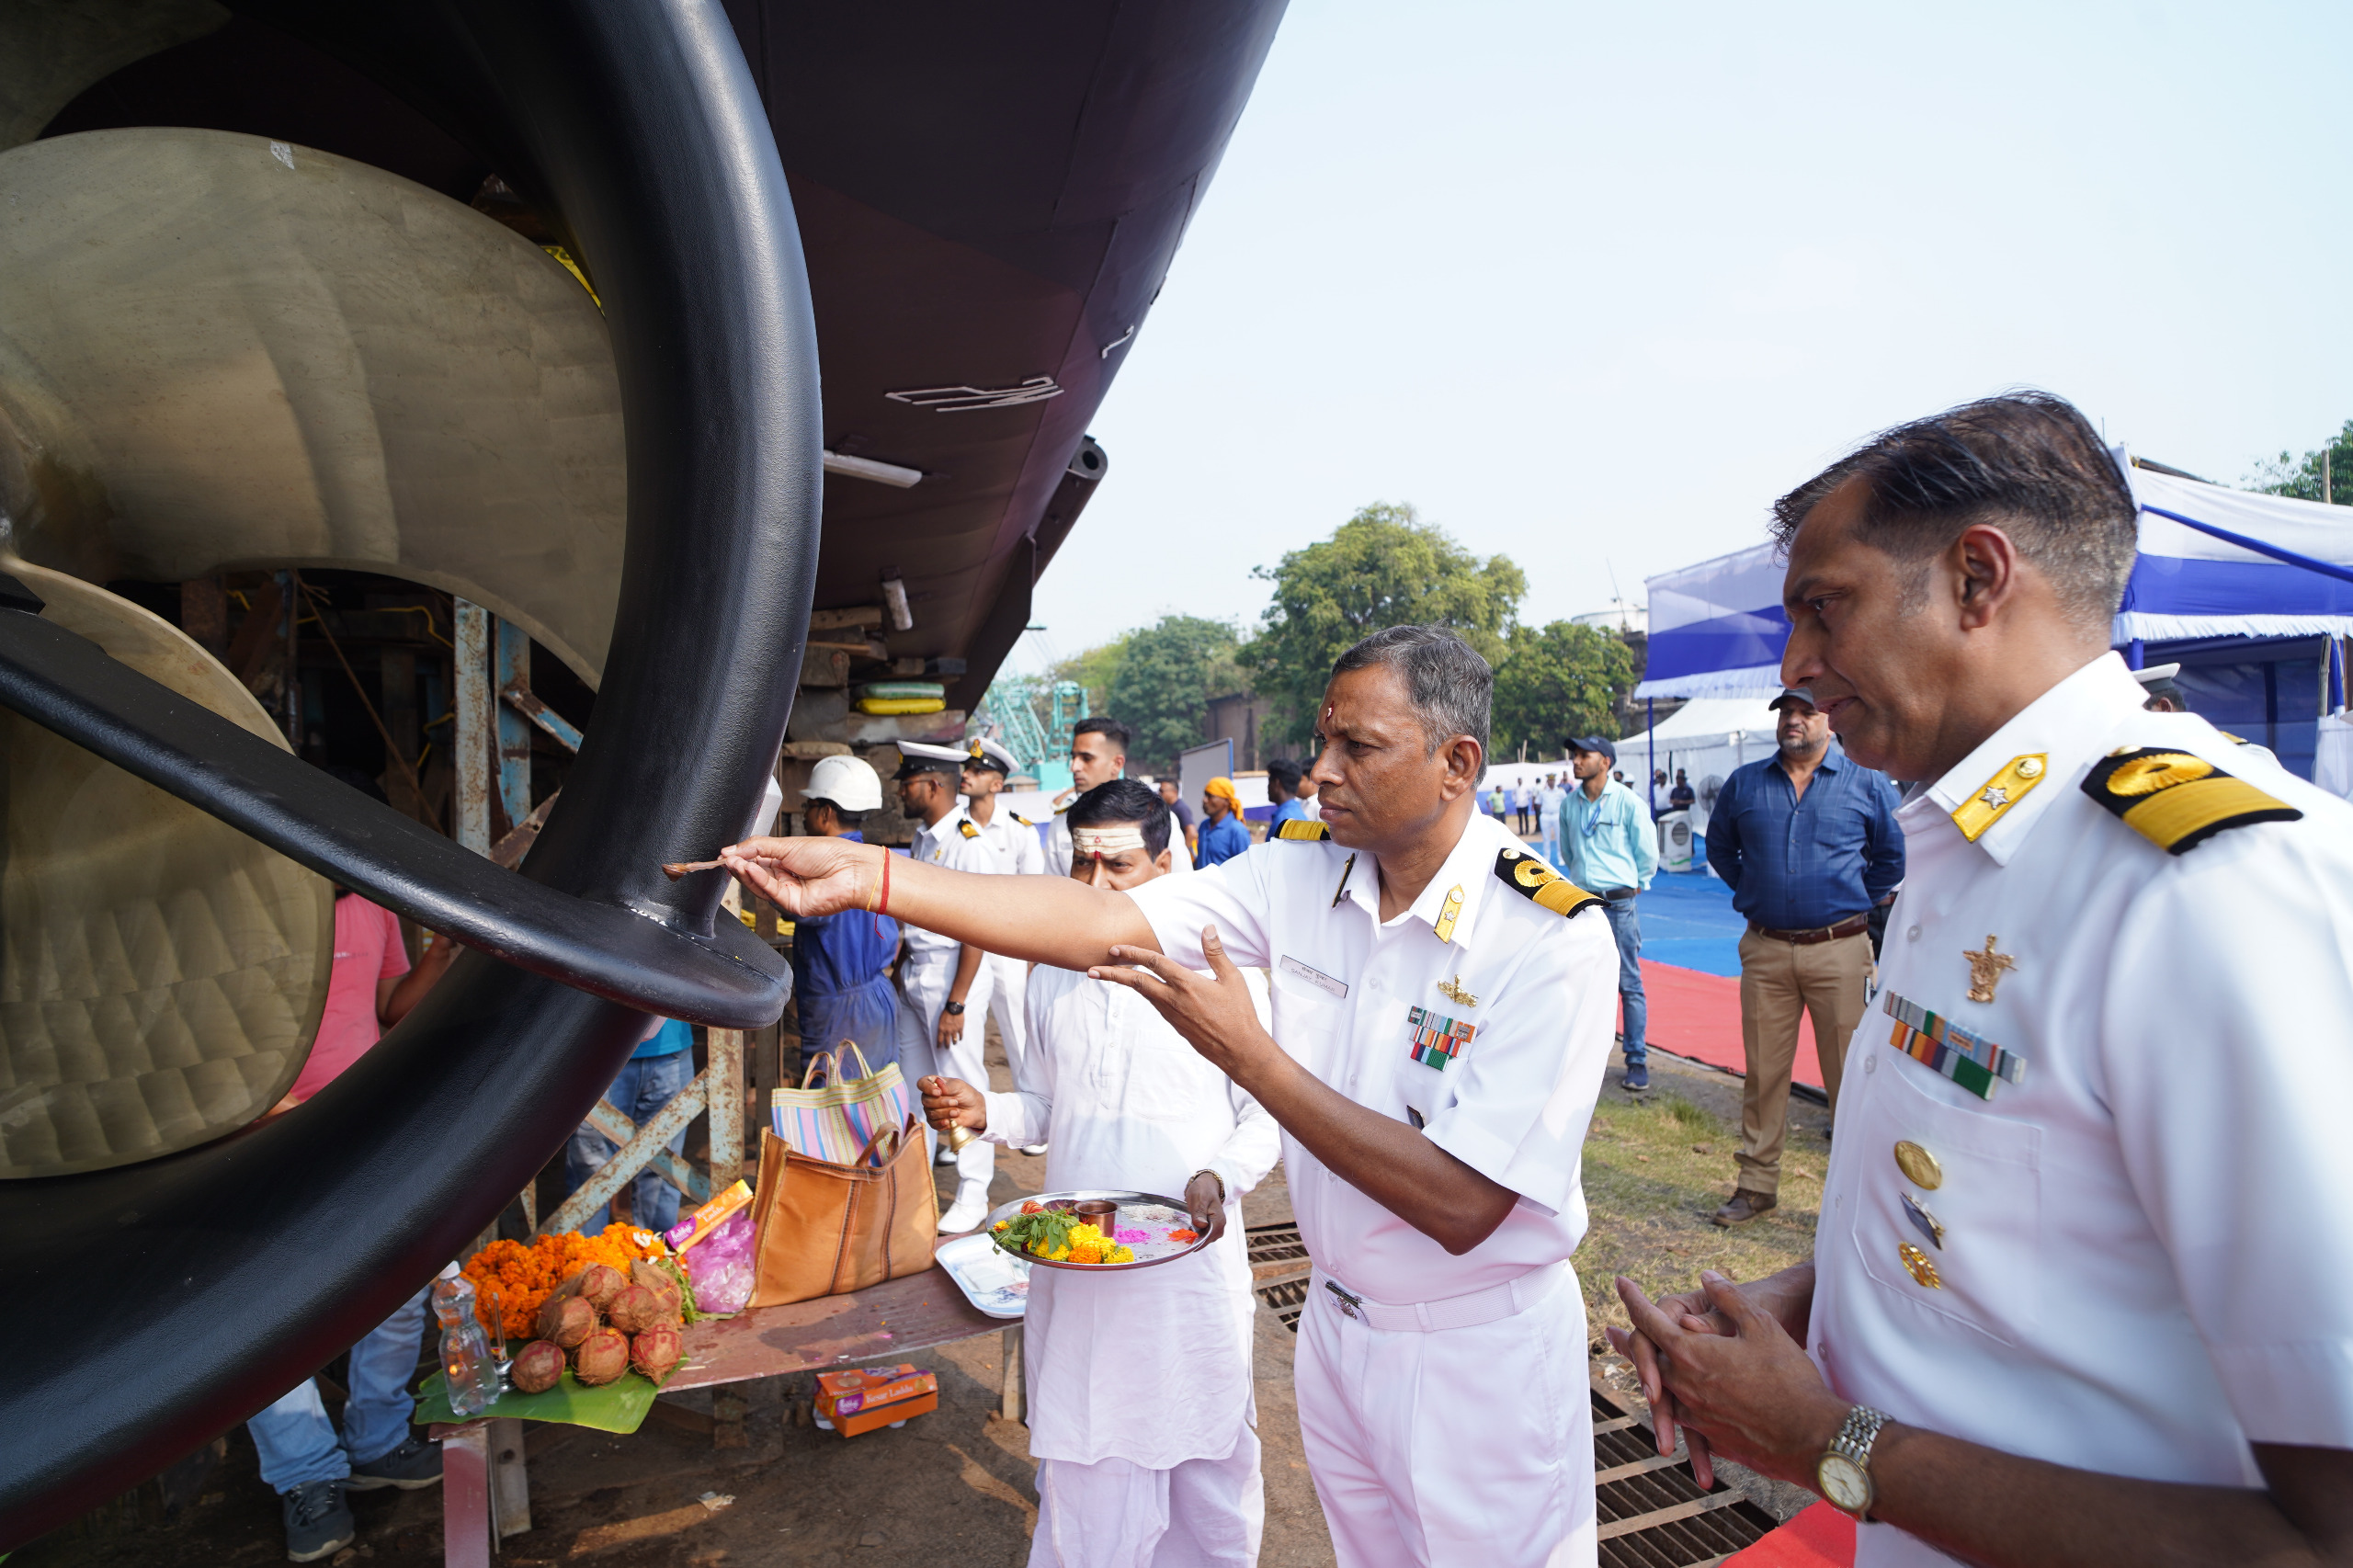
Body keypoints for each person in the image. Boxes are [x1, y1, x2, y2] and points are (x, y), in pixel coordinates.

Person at [1609, 392, 2353, 1568]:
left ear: (1975, 579)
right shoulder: (1967, 840)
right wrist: (1810, 1296)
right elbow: (2027, 1223)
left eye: (1823, 607)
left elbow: (2321, 1537)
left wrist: (1823, 1441)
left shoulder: (2208, 889)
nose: (1794, 663)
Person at [720, 624, 1623, 1568]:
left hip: (1476, 1351)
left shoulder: (1547, 938)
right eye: (1323, 739)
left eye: (1357, 746)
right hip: (1338, 1328)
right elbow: (1105, 922)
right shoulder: (1305, 870)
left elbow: (1464, 1202)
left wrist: (1253, 1057)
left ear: (1457, 762)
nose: (1319, 772)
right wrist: (877, 876)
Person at [920, 779, 1279, 1568]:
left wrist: (1220, 1176)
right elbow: (1052, 1108)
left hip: (1190, 1263)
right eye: (1080, 866)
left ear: (1164, 863)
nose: (1093, 890)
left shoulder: (1226, 970)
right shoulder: (1052, 969)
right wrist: (989, 1111)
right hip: (1079, 1262)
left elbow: (1269, 1111)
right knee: (1086, 1458)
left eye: (1116, 869)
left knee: (1207, 1455)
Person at [256, 887, 458, 1562]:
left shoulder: (374, 905)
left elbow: (388, 1009)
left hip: (366, 1128)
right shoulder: (250, 908)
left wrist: (439, 954)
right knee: (265, 1316)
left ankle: (377, 1439)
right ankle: (306, 1477)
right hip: (266, 1138)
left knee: (397, 1289)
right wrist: (273, 1115)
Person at [1700, 687, 1902, 1224]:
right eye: (1785, 712)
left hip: (1840, 950)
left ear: (1830, 720)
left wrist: (1853, 896)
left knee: (1850, 1075)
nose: (1792, 720)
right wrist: (1752, 890)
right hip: (1765, 950)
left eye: (1804, 712)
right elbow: (1720, 848)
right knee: (1764, 1073)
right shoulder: (1746, 783)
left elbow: (1893, 854)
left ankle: (1857, 1195)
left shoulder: (1866, 782)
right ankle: (1756, 1186)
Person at [888, 739, 1001, 1233]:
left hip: (954, 978)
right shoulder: (923, 837)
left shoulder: (966, 841)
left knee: (959, 1087)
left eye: (908, 783)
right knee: (917, 1083)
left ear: (933, 785)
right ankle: (916, 1180)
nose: (902, 792)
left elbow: (978, 926)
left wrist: (956, 1001)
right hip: (919, 974)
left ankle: (975, 1190)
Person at [785, 754, 902, 1074]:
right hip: (878, 996)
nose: (804, 814)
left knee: (832, 1108)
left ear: (826, 813)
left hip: (842, 1013)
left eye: (809, 806)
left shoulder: (825, 866)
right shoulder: (875, 857)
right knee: (877, 1104)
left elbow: (798, 906)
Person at [961, 737, 1048, 1154]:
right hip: (964, 949)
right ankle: (964, 1132)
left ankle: (1029, 1121)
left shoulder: (1019, 831)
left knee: (1018, 1034)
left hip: (1008, 948)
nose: (966, 776)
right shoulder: (956, 827)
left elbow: (1035, 899)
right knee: (964, 1043)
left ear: (996, 783)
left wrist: (1033, 959)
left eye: (977, 772)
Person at [1559, 736, 1659, 1090]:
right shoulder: (1569, 805)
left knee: (1628, 983)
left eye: (1584, 755)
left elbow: (1648, 851)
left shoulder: (1628, 802)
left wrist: (1637, 883)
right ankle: (1583, 1063)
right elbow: (1569, 852)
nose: (1576, 761)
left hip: (1619, 903)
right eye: (1575, 755)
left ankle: (1636, 1061)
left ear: (1605, 762)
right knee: (1581, 983)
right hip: (1583, 902)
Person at [565, 1015, 696, 1233]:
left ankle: (658, 1257)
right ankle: (586, 1260)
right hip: (599, 1050)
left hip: (671, 1050)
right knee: (591, 1167)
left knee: (663, 1167)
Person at [1047, 717, 1193, 874]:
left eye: (1086, 758)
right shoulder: (1060, 825)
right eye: (1082, 862)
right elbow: (1052, 890)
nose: (1074, 767)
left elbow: (1182, 882)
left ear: (1117, 764)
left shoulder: (1155, 818)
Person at [1195, 775, 1251, 868]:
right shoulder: (1204, 826)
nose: (1204, 800)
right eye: (1205, 795)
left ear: (1226, 801)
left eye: (1210, 796)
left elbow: (1245, 868)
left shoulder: (1237, 831)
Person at [1159, 775, 1199, 858]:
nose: (1159, 794)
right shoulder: (1170, 808)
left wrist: (1181, 852)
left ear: (1174, 792)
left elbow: (1192, 832)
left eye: (1162, 791)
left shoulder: (1181, 808)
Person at [1267, 756, 1313, 824]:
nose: (1268, 787)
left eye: (1270, 782)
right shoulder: (1297, 812)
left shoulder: (1284, 819)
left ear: (1277, 783)